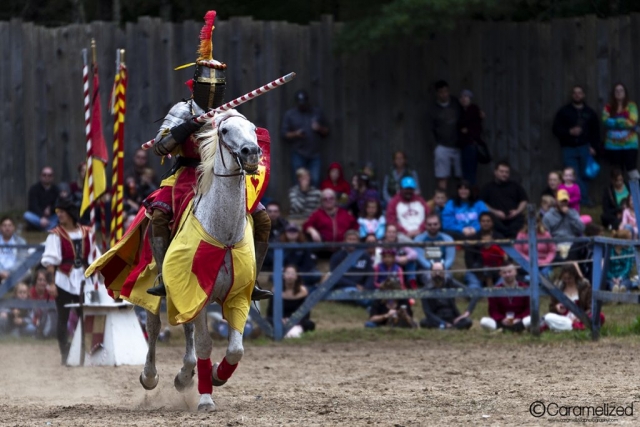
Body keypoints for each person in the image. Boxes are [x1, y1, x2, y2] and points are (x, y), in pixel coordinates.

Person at [137, 14, 271, 299]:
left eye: (216, 86)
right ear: (195, 84)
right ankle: (164, 275)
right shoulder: (182, 110)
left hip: (227, 177)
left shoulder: (232, 114)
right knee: (159, 216)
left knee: (264, 220)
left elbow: (249, 144)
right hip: (187, 173)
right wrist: (188, 126)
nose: (211, 90)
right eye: (206, 85)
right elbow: (161, 147)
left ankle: (252, 281)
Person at [40, 198, 100, 364]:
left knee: (85, 316)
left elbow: (96, 258)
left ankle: (84, 350)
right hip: (63, 279)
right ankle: (65, 353)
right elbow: (50, 263)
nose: (59, 215)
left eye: (62, 212)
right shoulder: (55, 235)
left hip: (84, 280)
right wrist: (51, 284)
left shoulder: (88, 232)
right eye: (57, 212)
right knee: (63, 318)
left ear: (71, 213)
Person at [552, 85, 600, 205]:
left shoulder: (590, 113)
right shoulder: (564, 112)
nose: (577, 95)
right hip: (568, 148)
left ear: (583, 95)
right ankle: (583, 200)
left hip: (585, 148)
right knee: (573, 175)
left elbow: (596, 131)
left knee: (586, 175)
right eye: (575, 93)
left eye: (580, 93)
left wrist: (594, 146)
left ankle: (581, 199)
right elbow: (555, 129)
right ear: (572, 95)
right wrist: (569, 132)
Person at [281, 90, 329, 187]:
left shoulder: (316, 112)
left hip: (314, 153)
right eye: (300, 103)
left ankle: (313, 202)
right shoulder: (290, 115)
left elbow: (327, 131)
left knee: (315, 180)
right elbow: (284, 134)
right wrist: (296, 134)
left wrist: (319, 128)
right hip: (298, 153)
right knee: (298, 181)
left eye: (304, 103)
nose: (302, 105)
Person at [543, 264, 602, 332]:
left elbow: (591, 307)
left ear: (575, 276)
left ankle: (566, 327)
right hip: (564, 318)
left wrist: (581, 317)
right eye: (565, 278)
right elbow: (551, 307)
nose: (567, 281)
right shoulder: (558, 287)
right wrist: (556, 307)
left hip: (580, 318)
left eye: (570, 278)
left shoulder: (584, 287)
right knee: (548, 317)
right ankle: (572, 326)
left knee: (600, 316)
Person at [479, 161, 528, 238]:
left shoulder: (515, 186)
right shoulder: (488, 187)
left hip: (514, 219)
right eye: (501, 172)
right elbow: (481, 203)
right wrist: (495, 212)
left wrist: (517, 211)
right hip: (496, 220)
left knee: (521, 221)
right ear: (495, 172)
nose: (504, 174)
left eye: (506, 172)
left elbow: (524, 200)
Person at [419, 262, 475, 330]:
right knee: (423, 322)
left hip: (453, 317)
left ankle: (448, 328)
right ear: (431, 273)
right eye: (435, 271)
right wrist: (443, 323)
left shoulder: (450, 282)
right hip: (437, 317)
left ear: (444, 272)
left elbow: (474, 294)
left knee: (467, 322)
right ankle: (447, 327)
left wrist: (467, 312)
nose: (437, 274)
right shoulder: (425, 290)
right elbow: (428, 312)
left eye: (440, 271)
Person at [266, 265, 315, 338]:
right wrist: (280, 319)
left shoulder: (303, 291)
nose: (290, 276)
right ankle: (284, 331)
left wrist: (292, 320)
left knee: (310, 324)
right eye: (287, 273)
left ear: (297, 276)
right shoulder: (276, 290)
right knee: (267, 321)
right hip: (279, 319)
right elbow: (270, 311)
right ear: (283, 276)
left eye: (292, 274)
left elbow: (306, 314)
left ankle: (294, 331)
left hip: (297, 321)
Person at [329, 230, 374, 307]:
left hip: (362, 288)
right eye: (349, 239)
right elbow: (335, 277)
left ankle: (367, 301)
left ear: (358, 242)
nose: (352, 242)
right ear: (345, 241)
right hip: (344, 288)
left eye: (354, 240)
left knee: (376, 292)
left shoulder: (365, 256)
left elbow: (370, 274)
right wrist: (355, 285)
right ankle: (368, 303)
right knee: (354, 293)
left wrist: (366, 287)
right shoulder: (337, 256)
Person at [480, 263, 530, 332]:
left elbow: (529, 308)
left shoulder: (525, 288)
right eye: (504, 272)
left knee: (531, 319)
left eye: (510, 272)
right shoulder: (495, 290)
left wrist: (518, 319)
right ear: (500, 274)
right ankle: (515, 329)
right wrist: (502, 319)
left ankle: (505, 330)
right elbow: (493, 310)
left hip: (520, 320)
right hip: (502, 322)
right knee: (484, 321)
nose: (507, 275)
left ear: (515, 272)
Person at [430, 80, 461, 191]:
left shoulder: (456, 102)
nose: (444, 94)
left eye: (446, 91)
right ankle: (442, 203)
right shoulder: (433, 109)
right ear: (437, 93)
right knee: (442, 178)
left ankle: (460, 204)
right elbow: (431, 128)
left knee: (460, 176)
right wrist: (435, 145)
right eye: (441, 92)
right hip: (442, 145)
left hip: (458, 145)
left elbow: (467, 112)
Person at [602, 82, 639, 176]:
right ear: (613, 93)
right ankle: (618, 191)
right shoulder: (608, 107)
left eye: (621, 90)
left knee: (632, 171)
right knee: (616, 172)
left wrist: (615, 121)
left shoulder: (631, 106)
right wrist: (623, 121)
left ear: (625, 92)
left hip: (630, 144)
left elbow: (633, 121)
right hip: (613, 145)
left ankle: (636, 191)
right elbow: (605, 120)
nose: (619, 92)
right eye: (616, 90)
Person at [464, 212, 506, 288]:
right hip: (477, 271)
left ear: (493, 222)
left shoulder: (500, 237)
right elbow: (469, 261)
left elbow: (505, 257)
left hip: (497, 270)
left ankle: (496, 293)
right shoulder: (473, 238)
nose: (485, 223)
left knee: (507, 276)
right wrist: (479, 273)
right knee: (473, 284)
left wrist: (500, 270)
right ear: (479, 223)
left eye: (488, 221)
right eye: (483, 221)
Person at [542, 189, 585, 260]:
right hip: (557, 245)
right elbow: (545, 235)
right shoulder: (548, 216)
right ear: (556, 201)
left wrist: (569, 214)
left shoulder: (573, 213)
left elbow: (581, 228)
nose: (563, 203)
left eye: (565, 201)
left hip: (572, 244)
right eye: (561, 201)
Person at [385, 176, 430, 242]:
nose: (408, 191)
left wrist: (420, 230)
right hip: (402, 235)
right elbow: (391, 221)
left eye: (411, 189)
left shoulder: (420, 200)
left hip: (421, 233)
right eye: (406, 189)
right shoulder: (394, 202)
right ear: (401, 188)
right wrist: (405, 232)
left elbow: (428, 217)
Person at [280, 223, 320, 289]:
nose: (292, 233)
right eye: (289, 231)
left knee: (316, 275)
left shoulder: (305, 246)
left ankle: (305, 289)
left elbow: (308, 264)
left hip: (302, 272)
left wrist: (295, 273)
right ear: (285, 233)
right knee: (274, 276)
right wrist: (289, 272)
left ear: (298, 233)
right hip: (286, 272)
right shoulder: (279, 246)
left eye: (294, 231)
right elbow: (279, 263)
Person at [458, 89, 484, 185]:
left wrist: (467, 130)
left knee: (470, 174)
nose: (464, 99)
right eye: (462, 97)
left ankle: (473, 195)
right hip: (464, 145)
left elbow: (473, 126)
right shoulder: (461, 111)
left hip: (471, 145)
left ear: (470, 99)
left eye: (466, 97)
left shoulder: (473, 109)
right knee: (466, 173)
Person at [23, 166, 60, 231]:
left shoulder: (56, 190)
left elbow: (59, 204)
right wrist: (42, 217)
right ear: (40, 176)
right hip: (38, 217)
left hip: (51, 217)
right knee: (27, 215)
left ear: (53, 177)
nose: (47, 177)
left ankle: (43, 228)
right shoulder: (34, 189)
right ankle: (49, 228)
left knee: (61, 214)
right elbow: (33, 206)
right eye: (44, 175)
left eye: (49, 175)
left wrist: (51, 209)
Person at [30, 268, 57, 339]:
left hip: (45, 319)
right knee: (30, 328)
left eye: (44, 280)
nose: (42, 282)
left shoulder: (50, 292)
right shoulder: (30, 292)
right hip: (32, 319)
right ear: (35, 281)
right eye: (40, 280)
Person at [0, 217, 27, 283]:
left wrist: (9, 272)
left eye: (9, 225)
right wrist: (1, 272)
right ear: (0, 227)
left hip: (15, 272)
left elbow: (22, 260)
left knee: (27, 272)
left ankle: (7, 282)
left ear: (13, 227)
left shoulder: (21, 241)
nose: (7, 228)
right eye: (4, 225)